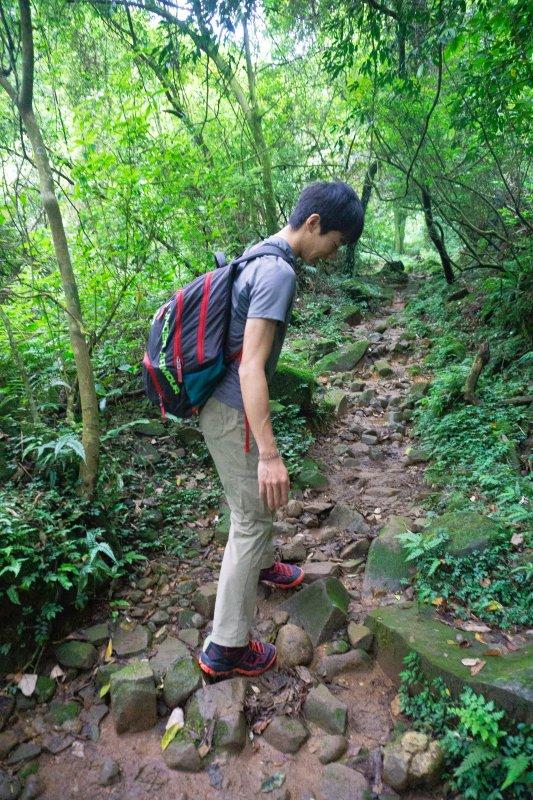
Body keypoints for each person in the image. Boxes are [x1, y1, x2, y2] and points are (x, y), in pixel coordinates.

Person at [197, 180, 364, 678]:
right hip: (232, 410)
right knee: (249, 518)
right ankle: (225, 647)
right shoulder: (277, 273)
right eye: (335, 242)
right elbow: (251, 367)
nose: (333, 254)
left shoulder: (260, 252)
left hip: (225, 404)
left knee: (256, 502)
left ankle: (265, 566)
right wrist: (270, 455)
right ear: (313, 223)